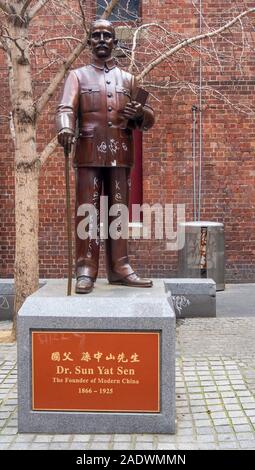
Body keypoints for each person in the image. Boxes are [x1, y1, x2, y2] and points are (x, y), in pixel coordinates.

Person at [56, 19, 155, 294]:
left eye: (106, 35)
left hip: (121, 155)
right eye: (96, 35)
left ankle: (120, 266)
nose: (101, 39)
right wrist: (65, 127)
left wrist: (140, 114)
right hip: (88, 153)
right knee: (87, 212)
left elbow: (149, 119)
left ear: (115, 42)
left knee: (118, 213)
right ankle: (86, 269)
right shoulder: (77, 76)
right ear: (89, 42)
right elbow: (65, 107)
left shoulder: (129, 79)